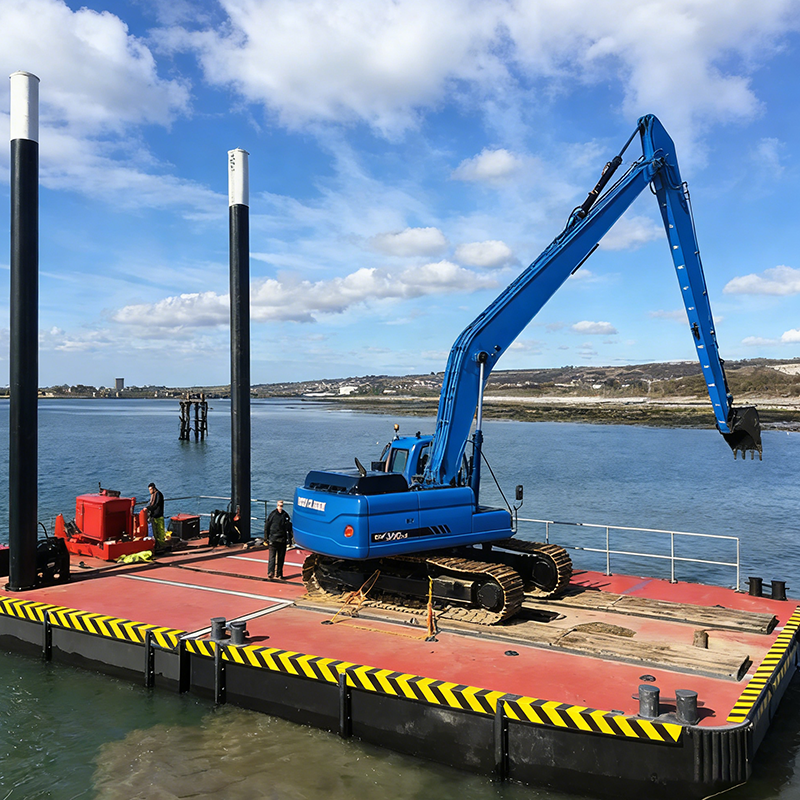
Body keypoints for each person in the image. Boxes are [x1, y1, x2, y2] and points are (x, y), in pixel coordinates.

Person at [265, 500, 292, 580]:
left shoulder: (284, 515)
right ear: (277, 505)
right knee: (272, 557)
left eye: (281, 506)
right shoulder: (275, 515)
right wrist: (266, 538)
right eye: (279, 506)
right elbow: (267, 526)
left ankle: (279, 573)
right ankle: (271, 572)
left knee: (280, 557)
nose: (280, 507)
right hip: (274, 539)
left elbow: (288, 528)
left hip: (281, 539)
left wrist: (289, 540)